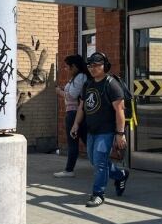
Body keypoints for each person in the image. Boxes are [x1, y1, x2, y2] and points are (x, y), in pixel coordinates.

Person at [70, 51, 130, 207]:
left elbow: (120, 111)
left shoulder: (111, 84)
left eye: (97, 65)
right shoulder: (88, 84)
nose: (93, 68)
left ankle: (98, 194)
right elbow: (82, 107)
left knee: (100, 163)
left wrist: (120, 133)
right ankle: (121, 175)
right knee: (95, 160)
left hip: (107, 131)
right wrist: (76, 124)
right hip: (91, 130)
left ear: (105, 66)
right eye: (90, 65)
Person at [53, 54, 89, 178]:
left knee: (73, 142)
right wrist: (65, 89)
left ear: (74, 66)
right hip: (74, 112)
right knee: (87, 142)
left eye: (68, 67)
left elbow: (72, 95)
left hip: (74, 113)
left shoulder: (80, 77)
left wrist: (60, 92)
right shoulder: (78, 77)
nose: (67, 70)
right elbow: (71, 91)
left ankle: (69, 170)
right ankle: (105, 165)